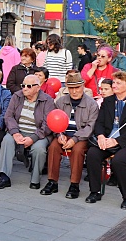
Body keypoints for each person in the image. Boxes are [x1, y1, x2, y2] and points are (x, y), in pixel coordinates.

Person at [85, 71, 126, 210]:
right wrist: (100, 136)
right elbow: (99, 122)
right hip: (107, 138)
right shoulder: (108, 101)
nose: (114, 85)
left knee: (119, 161)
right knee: (93, 154)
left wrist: (117, 141)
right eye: (114, 82)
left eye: (118, 83)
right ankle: (95, 191)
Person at [42, 71, 99, 199]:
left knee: (78, 150)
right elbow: (54, 121)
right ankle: (52, 181)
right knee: (53, 147)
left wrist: (75, 139)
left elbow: (90, 127)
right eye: (71, 88)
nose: (74, 91)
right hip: (64, 134)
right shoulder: (61, 102)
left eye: (77, 88)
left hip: (81, 137)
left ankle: (74, 184)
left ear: (83, 86)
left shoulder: (91, 104)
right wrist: (59, 135)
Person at [0, 75, 55, 189]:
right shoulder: (17, 96)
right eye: (23, 85)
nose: (24, 88)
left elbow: (47, 125)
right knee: (6, 141)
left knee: (39, 149)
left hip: (38, 134)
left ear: (38, 87)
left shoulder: (48, 100)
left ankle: (35, 180)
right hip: (18, 131)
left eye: (28, 86)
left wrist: (33, 138)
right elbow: (8, 116)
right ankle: (4, 177)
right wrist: (15, 132)